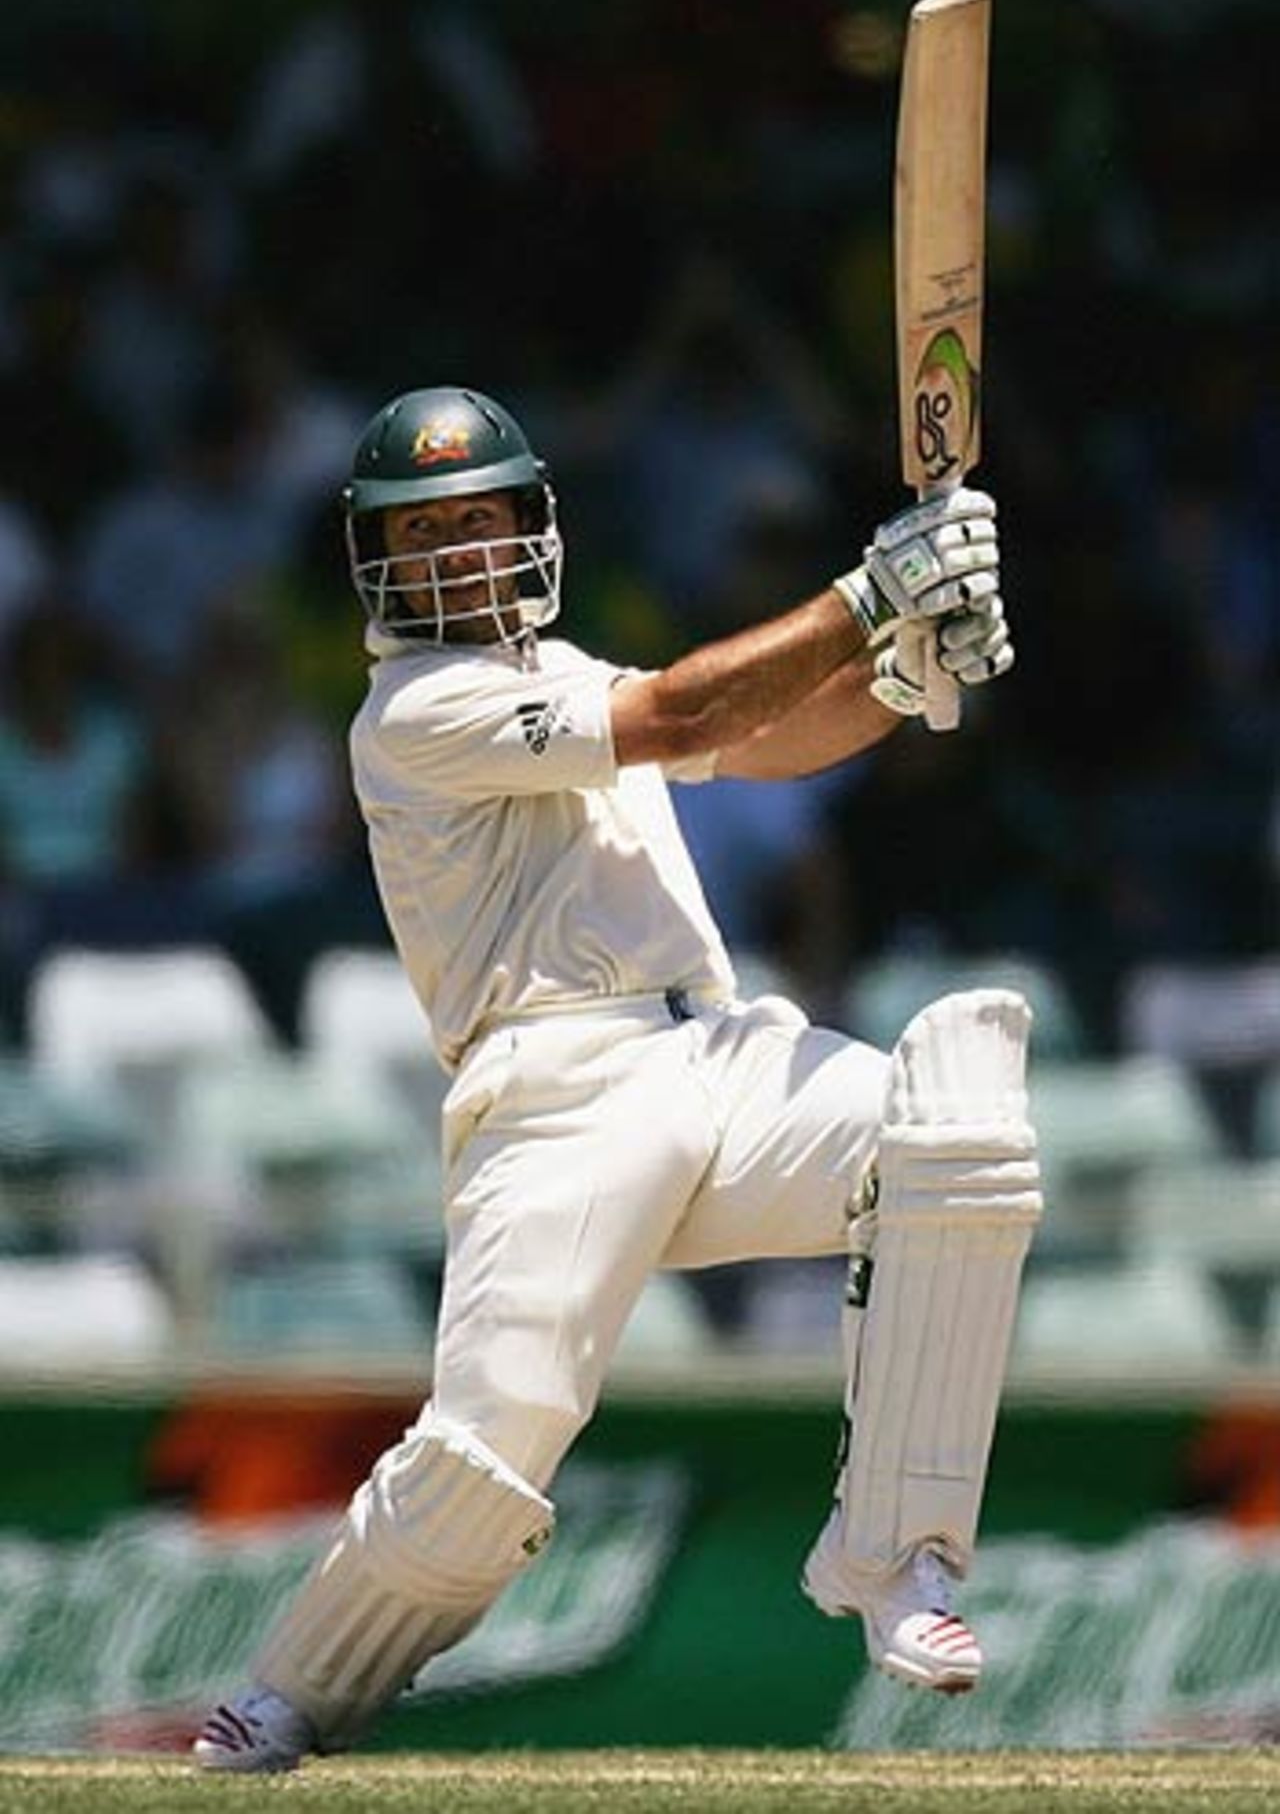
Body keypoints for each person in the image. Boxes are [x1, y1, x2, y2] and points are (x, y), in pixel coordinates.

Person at [193, 385, 1041, 1772]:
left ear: (532, 522)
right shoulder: (416, 709)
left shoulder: (561, 672)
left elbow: (759, 738)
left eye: (481, 521)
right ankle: (294, 1691)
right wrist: (874, 590)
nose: (462, 554)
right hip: (555, 1097)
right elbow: (680, 708)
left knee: (957, 1116)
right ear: (377, 564)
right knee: (481, 1468)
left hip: (713, 1050)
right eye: (427, 534)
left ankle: (896, 1557)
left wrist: (899, 672)